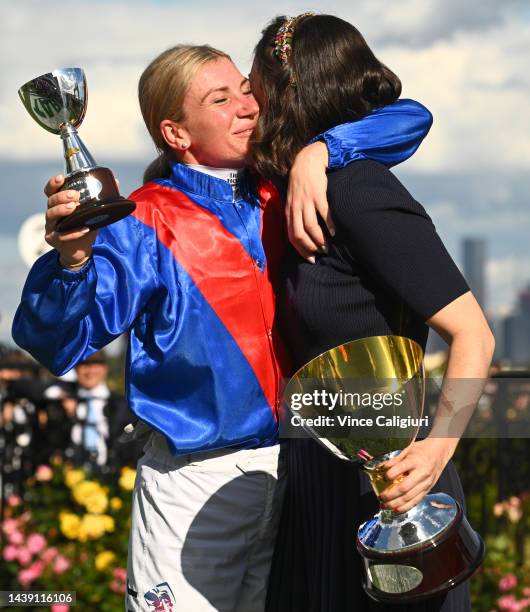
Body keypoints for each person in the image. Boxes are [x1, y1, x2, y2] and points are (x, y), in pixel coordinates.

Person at [13, 45, 431, 611]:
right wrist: (72, 260)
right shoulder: (142, 218)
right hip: (193, 482)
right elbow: (56, 340)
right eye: (220, 98)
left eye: (245, 89)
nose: (247, 106)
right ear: (176, 134)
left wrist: (320, 151)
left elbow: (412, 117)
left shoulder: (281, 183)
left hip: (295, 473)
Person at [250, 13, 495, 612]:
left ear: (289, 94)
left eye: (256, 87)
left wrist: (436, 450)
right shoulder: (292, 189)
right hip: (320, 479)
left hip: (387, 489)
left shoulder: (357, 189)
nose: (248, 102)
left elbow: (474, 335)